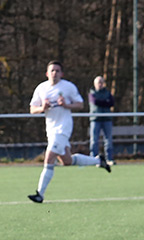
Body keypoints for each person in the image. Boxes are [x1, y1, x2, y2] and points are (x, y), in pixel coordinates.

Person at [26, 61, 108, 204]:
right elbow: (32, 109)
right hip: (51, 129)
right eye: (52, 70)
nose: (54, 73)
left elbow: (80, 104)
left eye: (57, 71)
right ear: (47, 73)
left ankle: (40, 194)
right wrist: (42, 108)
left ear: (62, 74)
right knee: (67, 161)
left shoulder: (68, 87)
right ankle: (98, 161)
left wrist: (66, 105)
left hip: (63, 127)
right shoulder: (41, 88)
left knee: (49, 157)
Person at [88, 75, 115, 165]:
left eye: (101, 82)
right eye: (98, 83)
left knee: (108, 140)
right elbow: (95, 102)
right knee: (94, 140)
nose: (100, 84)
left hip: (107, 119)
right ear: (95, 84)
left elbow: (111, 103)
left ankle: (109, 159)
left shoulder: (107, 93)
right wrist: (105, 102)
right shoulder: (91, 93)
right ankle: (93, 159)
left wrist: (104, 102)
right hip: (95, 119)